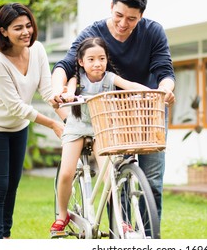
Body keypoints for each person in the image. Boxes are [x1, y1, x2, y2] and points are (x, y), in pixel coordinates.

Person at [51, 0, 175, 221]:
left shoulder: (153, 32)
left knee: (151, 182)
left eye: (131, 18)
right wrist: (59, 90)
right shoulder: (93, 33)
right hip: (109, 115)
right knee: (116, 180)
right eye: (119, 15)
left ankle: (149, 241)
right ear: (111, 7)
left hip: (146, 109)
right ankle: (121, 235)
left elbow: (164, 71)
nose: (123, 23)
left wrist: (165, 90)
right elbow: (65, 65)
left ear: (141, 16)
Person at [0, 3, 64, 239]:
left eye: (28, 26)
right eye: (18, 28)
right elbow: (15, 106)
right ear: (4, 31)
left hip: (18, 127)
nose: (26, 32)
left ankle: (5, 236)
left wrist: (62, 105)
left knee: (12, 185)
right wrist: (54, 123)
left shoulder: (38, 50)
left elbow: (46, 90)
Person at [50, 36, 150, 234]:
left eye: (102, 58)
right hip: (77, 127)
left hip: (101, 128)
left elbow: (130, 85)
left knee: (109, 175)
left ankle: (119, 219)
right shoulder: (76, 79)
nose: (97, 63)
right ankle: (62, 214)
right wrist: (68, 95)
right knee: (67, 173)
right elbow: (69, 90)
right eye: (91, 59)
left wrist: (152, 91)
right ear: (81, 62)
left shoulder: (110, 78)